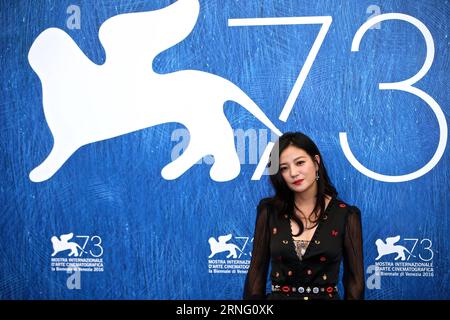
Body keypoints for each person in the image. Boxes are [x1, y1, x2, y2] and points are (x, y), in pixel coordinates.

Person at [243, 132, 364, 300]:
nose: (293, 173)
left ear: (316, 162)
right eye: (284, 168)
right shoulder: (269, 211)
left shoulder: (346, 214)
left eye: (300, 163)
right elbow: (256, 273)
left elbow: (355, 282)